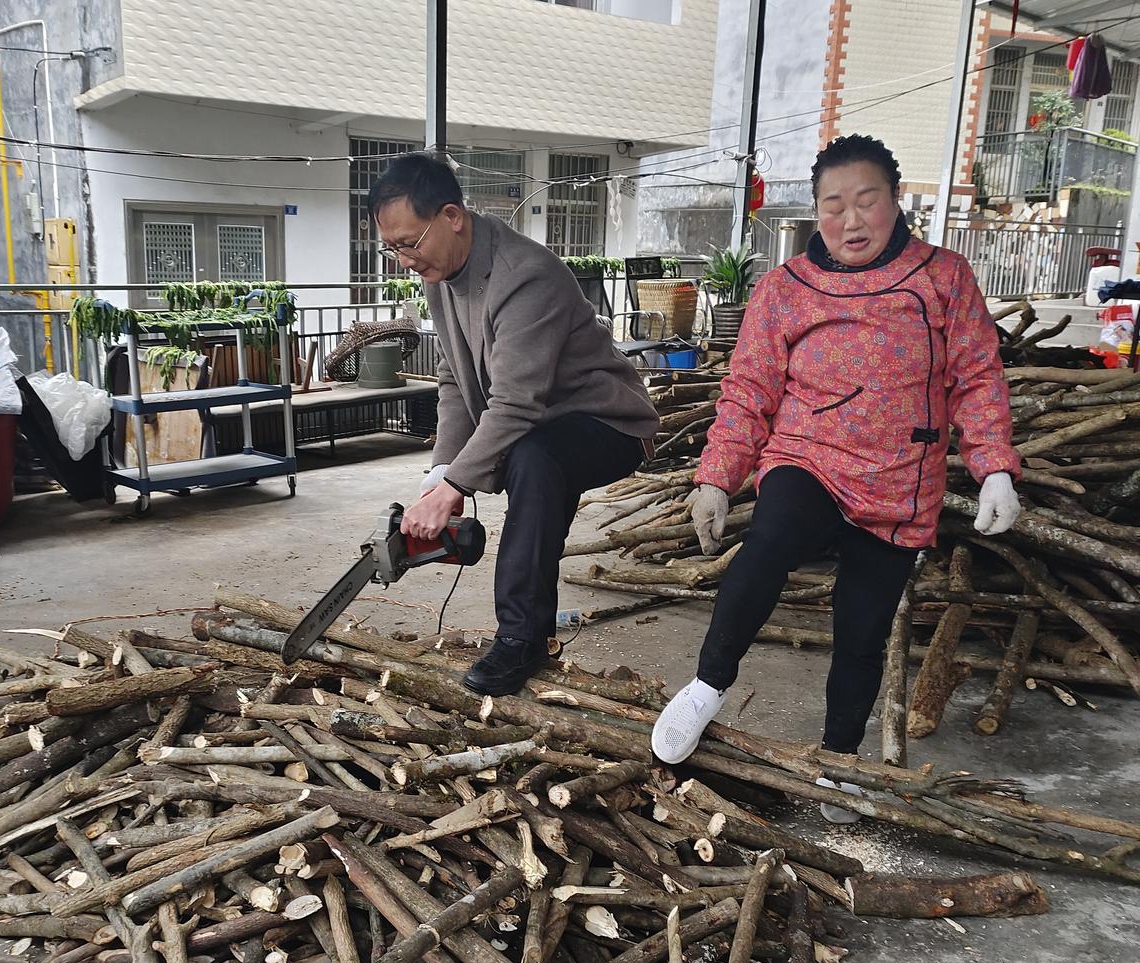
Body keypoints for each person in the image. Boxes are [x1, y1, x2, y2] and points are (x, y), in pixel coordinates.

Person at [650, 134, 1022, 819]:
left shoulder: (944, 278)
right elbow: (749, 388)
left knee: (863, 627)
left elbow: (977, 377)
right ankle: (705, 686)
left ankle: (837, 761)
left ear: (895, 200)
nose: (851, 220)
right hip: (807, 458)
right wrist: (715, 476)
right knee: (768, 543)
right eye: (832, 205)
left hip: (901, 485)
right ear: (815, 212)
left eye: (866, 201)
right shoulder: (785, 288)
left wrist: (993, 466)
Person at [372, 151, 660, 696]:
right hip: (540, 421)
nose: (404, 259)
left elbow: (516, 405)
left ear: (453, 216)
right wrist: (442, 473)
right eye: (392, 249)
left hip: (607, 421)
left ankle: (522, 639)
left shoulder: (525, 276)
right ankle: (531, 625)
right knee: (531, 454)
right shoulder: (441, 275)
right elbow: (454, 378)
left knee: (534, 458)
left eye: (410, 243)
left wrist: (459, 484)